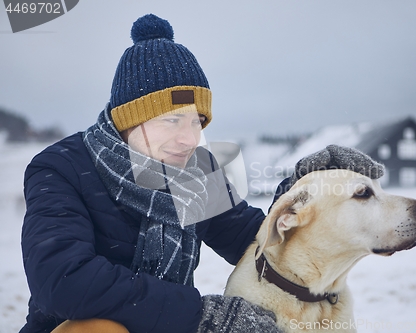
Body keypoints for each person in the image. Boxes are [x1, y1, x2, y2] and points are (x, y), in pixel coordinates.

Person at [20, 14, 384, 333]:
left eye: (197, 122)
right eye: (172, 120)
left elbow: (255, 239)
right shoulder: (61, 168)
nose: (189, 138)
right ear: (130, 119)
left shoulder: (194, 171)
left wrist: (307, 185)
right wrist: (201, 315)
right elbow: (65, 282)